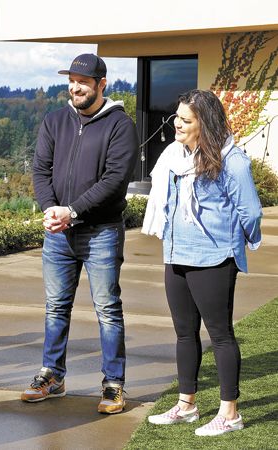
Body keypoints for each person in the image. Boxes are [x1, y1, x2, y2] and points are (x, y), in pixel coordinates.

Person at [143, 90, 262, 436]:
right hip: (176, 254)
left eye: (186, 119)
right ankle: (187, 405)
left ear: (204, 125)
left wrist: (237, 241)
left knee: (220, 335)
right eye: (176, 117)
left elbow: (250, 211)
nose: (177, 124)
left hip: (213, 259)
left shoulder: (231, 160)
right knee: (184, 333)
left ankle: (230, 413)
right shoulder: (174, 157)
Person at [25, 53, 138, 414]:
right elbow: (41, 170)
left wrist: (72, 210)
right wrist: (51, 210)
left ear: (101, 85)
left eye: (83, 82)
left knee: (107, 308)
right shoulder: (55, 120)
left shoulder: (120, 125)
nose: (75, 87)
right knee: (55, 307)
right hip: (58, 232)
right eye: (71, 80)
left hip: (101, 231)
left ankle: (113, 384)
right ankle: (52, 375)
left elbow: (115, 180)